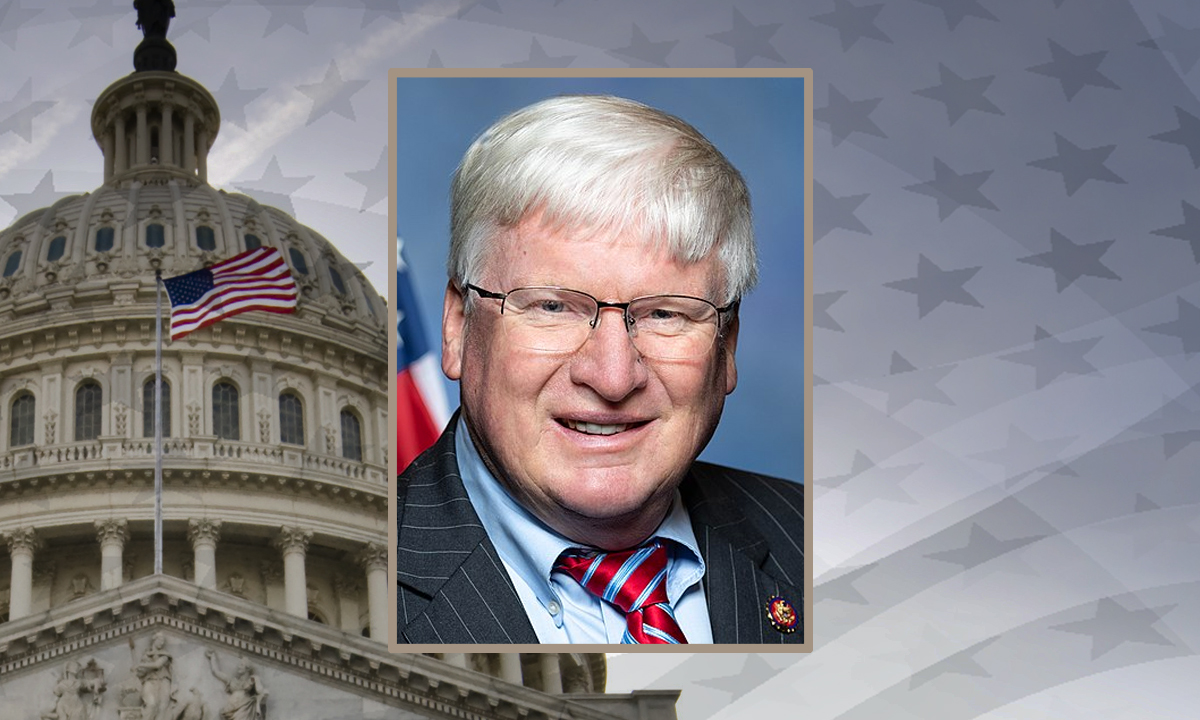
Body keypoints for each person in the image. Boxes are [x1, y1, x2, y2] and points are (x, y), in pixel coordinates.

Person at [396, 94, 803, 645]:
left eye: (665, 314)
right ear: (458, 327)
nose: (613, 377)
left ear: (726, 347)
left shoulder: (815, 539)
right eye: (552, 307)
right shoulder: (351, 571)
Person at [206, 651, 268, 720]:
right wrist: (212, 658)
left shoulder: (251, 680)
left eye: (241, 665)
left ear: (247, 668)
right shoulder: (232, 680)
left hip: (244, 709)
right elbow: (216, 672)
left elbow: (260, 691)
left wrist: (256, 680)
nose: (239, 667)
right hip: (230, 709)